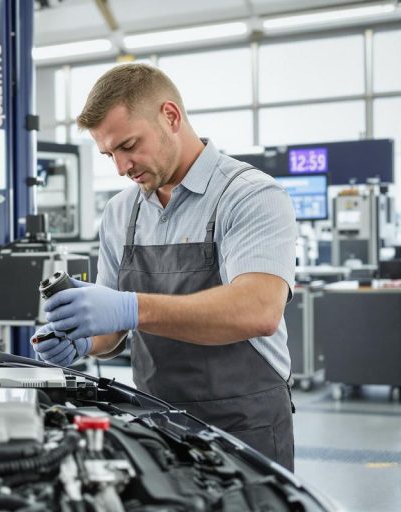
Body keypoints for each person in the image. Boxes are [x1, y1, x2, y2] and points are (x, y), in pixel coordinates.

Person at [31, 63, 297, 471]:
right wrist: (83, 341)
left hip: (244, 425)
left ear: (170, 116)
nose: (121, 167)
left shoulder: (250, 195)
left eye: (129, 145)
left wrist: (129, 307)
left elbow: (258, 309)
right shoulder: (121, 211)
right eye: (109, 154)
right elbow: (113, 327)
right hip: (155, 420)